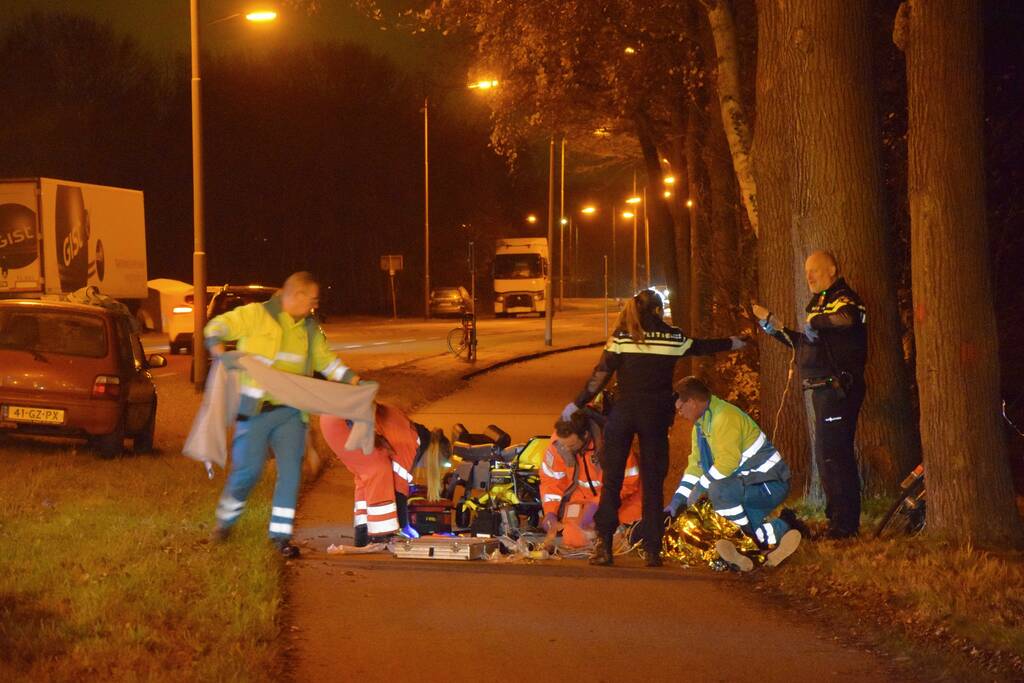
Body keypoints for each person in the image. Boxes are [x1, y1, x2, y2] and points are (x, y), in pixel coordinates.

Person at [562, 289, 746, 567]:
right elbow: (701, 346)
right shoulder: (673, 338)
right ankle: (652, 549)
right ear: (660, 311)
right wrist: (733, 343)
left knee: (611, 480)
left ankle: (604, 546)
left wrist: (577, 403)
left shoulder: (622, 338)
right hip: (656, 416)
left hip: (623, 413)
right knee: (653, 483)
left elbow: (600, 375)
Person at [206, 271, 360, 558]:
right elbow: (216, 326)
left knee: (290, 475)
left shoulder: (310, 328)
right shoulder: (256, 316)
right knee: (247, 473)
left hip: (292, 414)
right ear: (297, 295)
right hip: (255, 412)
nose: (314, 306)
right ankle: (224, 525)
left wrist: (354, 382)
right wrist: (218, 350)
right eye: (312, 300)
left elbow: (327, 362)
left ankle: (280, 538)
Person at [752, 250, 867, 539]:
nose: (809, 277)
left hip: (838, 388)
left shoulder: (843, 299)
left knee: (833, 456)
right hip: (821, 389)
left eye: (814, 270)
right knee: (827, 456)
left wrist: (816, 323)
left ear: (832, 270)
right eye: (806, 273)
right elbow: (805, 343)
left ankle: (845, 525)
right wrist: (774, 328)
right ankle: (837, 519)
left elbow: (848, 319)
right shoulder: (818, 303)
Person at [667, 376, 804, 571]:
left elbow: (727, 463)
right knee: (714, 519)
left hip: (767, 484)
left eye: (681, 408)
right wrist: (679, 497)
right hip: (747, 486)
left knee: (718, 490)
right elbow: (695, 466)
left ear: (692, 402)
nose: (679, 413)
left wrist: (700, 487)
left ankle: (744, 547)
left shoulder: (724, 417)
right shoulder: (701, 425)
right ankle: (778, 534)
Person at [320, 403, 452, 545]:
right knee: (379, 471)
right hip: (346, 422)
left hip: (333, 417)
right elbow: (398, 489)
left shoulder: (409, 430)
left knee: (367, 477)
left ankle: (364, 535)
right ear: (434, 457)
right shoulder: (411, 443)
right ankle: (381, 535)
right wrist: (403, 527)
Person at [540, 411, 642, 549]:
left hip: (620, 499)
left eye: (571, 446)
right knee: (574, 540)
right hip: (582, 499)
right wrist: (551, 512)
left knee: (623, 539)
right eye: (564, 445)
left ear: (586, 436)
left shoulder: (613, 443)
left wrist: (597, 506)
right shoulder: (558, 445)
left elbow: (628, 482)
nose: (566, 450)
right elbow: (551, 482)